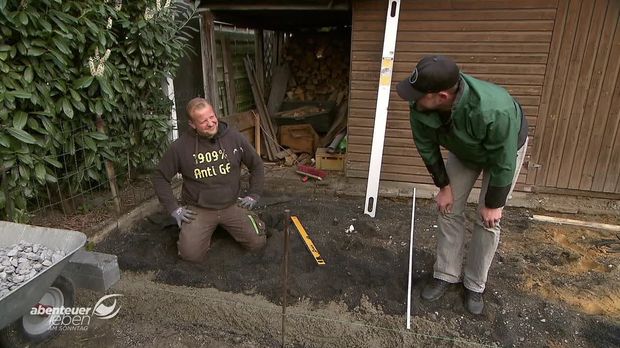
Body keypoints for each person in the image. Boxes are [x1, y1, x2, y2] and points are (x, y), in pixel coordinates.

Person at [396, 55, 528, 315]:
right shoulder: (420, 106)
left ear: (442, 96)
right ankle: (446, 273)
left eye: (419, 94)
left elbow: (503, 161)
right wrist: (443, 186)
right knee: (448, 207)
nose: (412, 99)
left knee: (488, 220)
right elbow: (427, 147)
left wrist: (493, 204)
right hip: (464, 147)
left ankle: (475, 284)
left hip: (504, 149)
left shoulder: (494, 110)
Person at [153, 97, 266, 263]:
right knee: (190, 255)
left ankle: (236, 224)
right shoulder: (180, 147)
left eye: (212, 117)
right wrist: (174, 209)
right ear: (192, 124)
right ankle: (205, 231)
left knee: (258, 244)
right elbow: (160, 176)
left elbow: (256, 164)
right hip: (199, 209)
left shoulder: (234, 137)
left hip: (232, 204)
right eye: (203, 121)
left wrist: (253, 194)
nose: (211, 123)